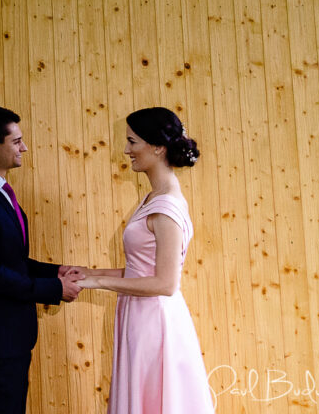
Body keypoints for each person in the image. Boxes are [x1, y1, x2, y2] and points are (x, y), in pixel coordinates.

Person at [74, 108, 210, 413]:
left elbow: (165, 283)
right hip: (138, 313)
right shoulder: (154, 198)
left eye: (132, 142)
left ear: (158, 147)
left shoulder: (166, 207)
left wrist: (97, 282)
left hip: (154, 320)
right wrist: (90, 272)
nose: (126, 150)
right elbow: (140, 268)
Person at [0, 104, 82, 414]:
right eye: (16, 141)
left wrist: (56, 271)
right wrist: (53, 289)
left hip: (10, 337)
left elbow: (12, 259)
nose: (24, 147)